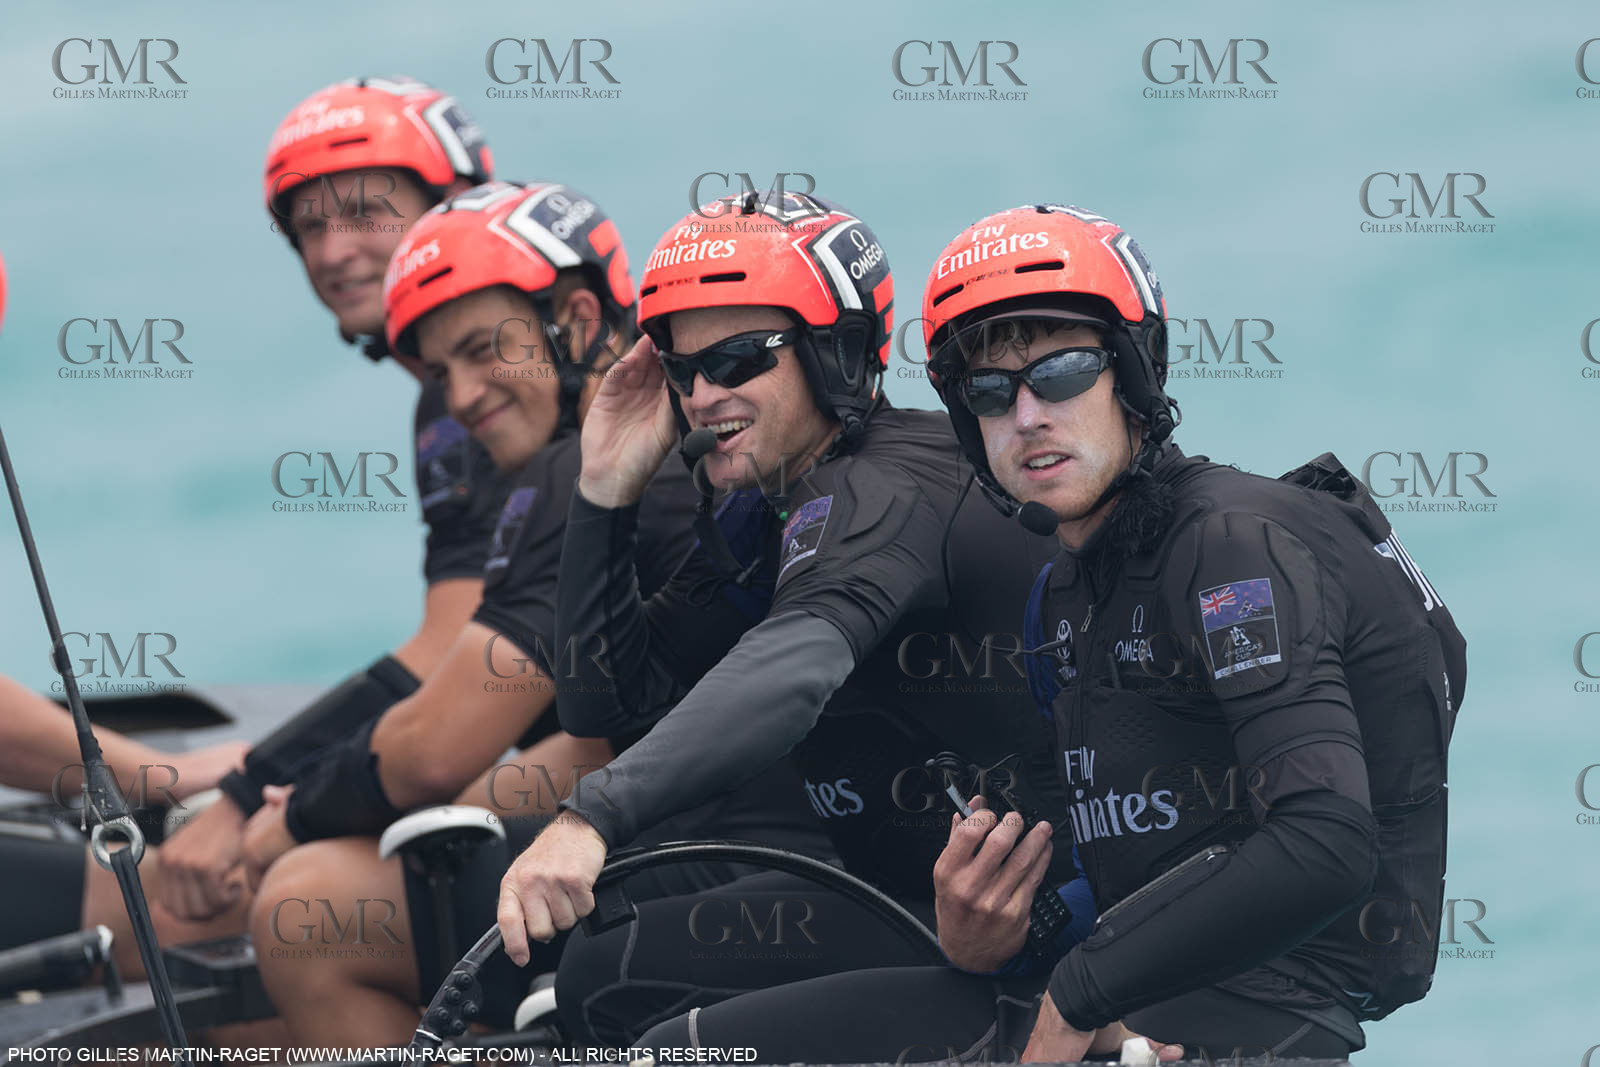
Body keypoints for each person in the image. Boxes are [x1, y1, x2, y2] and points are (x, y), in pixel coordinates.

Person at [494, 192, 1093, 1061]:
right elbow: (607, 700)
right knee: (605, 969)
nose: (704, 393)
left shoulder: (881, 487)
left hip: (1055, 936)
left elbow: (793, 667)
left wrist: (591, 819)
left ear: (834, 354)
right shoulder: (762, 513)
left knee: (671, 1043)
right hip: (914, 902)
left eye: (739, 358)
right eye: (683, 367)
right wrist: (605, 488)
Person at [243, 181, 832, 1048]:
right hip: (794, 843)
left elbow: (433, 747)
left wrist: (287, 813)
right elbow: (604, 736)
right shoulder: (696, 439)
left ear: (582, 320)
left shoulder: (579, 471)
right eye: (442, 372)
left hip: (735, 860)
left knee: (305, 908)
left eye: (487, 351)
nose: (464, 395)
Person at [919, 202, 1467, 1059]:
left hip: (1272, 1012)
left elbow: (1325, 840)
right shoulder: (1059, 598)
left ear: (1133, 375)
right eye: (990, 391)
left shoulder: (1232, 547)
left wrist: (1076, 992)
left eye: (1061, 372)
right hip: (1145, 1000)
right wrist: (995, 931)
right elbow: (1112, 871)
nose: (1025, 416)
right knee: (688, 1043)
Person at [0, 75, 506, 979]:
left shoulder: (458, 401)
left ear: (457, 205)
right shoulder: (461, 398)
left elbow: (458, 652)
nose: (334, 251)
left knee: (234, 906)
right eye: (308, 227)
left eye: (363, 214)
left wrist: (248, 786)